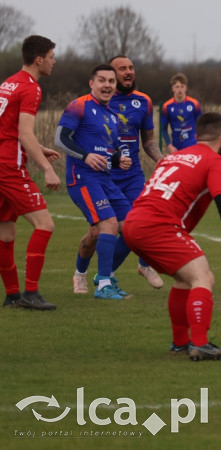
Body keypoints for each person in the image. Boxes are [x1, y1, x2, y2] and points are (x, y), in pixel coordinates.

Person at [122, 112, 221, 361]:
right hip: (158, 226)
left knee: (183, 279)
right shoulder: (213, 160)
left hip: (133, 223)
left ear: (197, 135)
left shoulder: (174, 157)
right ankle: (200, 343)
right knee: (203, 277)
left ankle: (181, 342)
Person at [71, 55, 165, 291]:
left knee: (138, 226)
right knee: (97, 232)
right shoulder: (96, 102)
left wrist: (162, 160)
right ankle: (80, 272)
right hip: (102, 175)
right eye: (122, 68)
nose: (128, 72)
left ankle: (116, 272)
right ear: (109, 77)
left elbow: (149, 141)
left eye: (131, 67)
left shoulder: (143, 101)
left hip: (132, 175)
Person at [56, 64, 133, 299]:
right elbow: (60, 139)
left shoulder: (113, 115)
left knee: (132, 228)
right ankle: (103, 287)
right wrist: (86, 156)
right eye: (102, 80)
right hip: (82, 178)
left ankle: (101, 275)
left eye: (111, 81)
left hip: (105, 179)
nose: (107, 85)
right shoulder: (79, 105)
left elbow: (110, 149)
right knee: (108, 225)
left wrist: (120, 158)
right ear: (92, 83)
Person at [0, 35, 61, 311]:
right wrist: (47, 169)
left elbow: (9, 130)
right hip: (9, 168)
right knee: (45, 224)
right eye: (51, 57)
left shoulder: (9, 82)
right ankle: (31, 293)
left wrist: (40, 147)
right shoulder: (31, 88)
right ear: (39, 60)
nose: (54, 62)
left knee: (5, 233)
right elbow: (24, 134)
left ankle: (12, 295)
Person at [160, 72, 203, 153]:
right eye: (177, 87)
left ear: (186, 88)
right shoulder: (167, 106)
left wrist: (200, 141)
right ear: (173, 88)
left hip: (193, 144)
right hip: (176, 147)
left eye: (182, 86)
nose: (180, 89)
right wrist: (170, 146)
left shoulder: (194, 103)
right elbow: (163, 129)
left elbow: (202, 124)